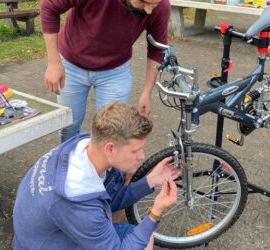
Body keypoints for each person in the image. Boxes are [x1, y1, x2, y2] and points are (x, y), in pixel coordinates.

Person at [13, 102, 181, 249]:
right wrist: (156, 211)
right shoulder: (76, 202)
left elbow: (108, 199)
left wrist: (151, 180)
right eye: (135, 151)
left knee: (142, 235)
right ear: (110, 149)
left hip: (49, 235)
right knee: (142, 240)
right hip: (44, 244)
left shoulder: (84, 148)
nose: (142, 156)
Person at [40, 0, 170, 142]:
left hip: (116, 70)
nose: (149, 10)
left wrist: (147, 92)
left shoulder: (161, 5)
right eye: (143, 2)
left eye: (154, 4)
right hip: (72, 64)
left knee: (112, 133)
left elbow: (157, 49)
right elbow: (49, 7)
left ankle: (102, 164)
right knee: (68, 128)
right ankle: (67, 163)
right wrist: (53, 62)